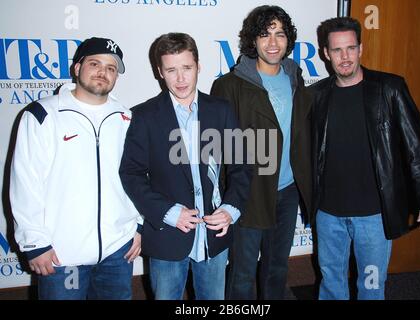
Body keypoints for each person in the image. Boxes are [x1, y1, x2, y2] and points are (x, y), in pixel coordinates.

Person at [311, 17, 420, 300]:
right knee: (331, 285)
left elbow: (416, 145)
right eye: (337, 50)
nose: (344, 57)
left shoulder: (389, 88)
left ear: (361, 48)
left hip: (373, 216)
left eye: (350, 48)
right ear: (326, 53)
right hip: (328, 214)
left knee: (371, 287)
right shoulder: (316, 95)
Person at [119, 33, 251, 300]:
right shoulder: (143, 116)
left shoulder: (221, 110)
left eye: (187, 68)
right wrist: (167, 212)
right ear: (160, 72)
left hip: (215, 235)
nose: (180, 79)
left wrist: (231, 209)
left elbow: (242, 165)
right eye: (171, 70)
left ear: (198, 66)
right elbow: (131, 174)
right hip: (166, 235)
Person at [9, 37, 143, 300]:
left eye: (111, 68)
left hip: (118, 252)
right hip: (62, 255)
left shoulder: (126, 118)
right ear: (77, 67)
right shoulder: (43, 115)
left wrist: (138, 225)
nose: (102, 72)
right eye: (95, 63)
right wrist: (35, 244)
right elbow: (25, 181)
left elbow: (138, 176)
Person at [210, 5, 313, 300]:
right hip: (248, 192)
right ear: (252, 40)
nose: (272, 42)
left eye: (279, 34)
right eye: (264, 34)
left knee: (277, 267)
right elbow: (219, 149)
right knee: (242, 272)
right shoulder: (229, 86)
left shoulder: (295, 79)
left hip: (288, 190)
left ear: (288, 40)